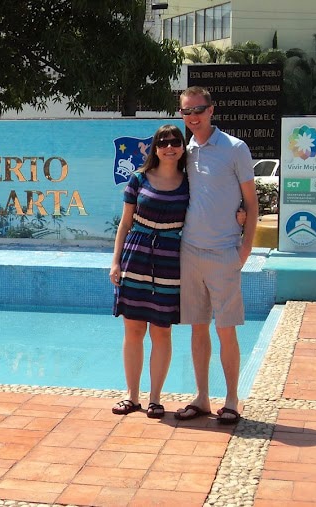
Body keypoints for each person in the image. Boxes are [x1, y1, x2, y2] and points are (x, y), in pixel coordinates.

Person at [174, 86, 258, 425]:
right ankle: (201, 397)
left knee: (226, 329)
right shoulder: (185, 151)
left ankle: (233, 400)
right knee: (197, 327)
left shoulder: (235, 148)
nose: (193, 116)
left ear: (212, 110)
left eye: (199, 109)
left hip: (225, 252)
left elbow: (251, 204)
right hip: (190, 251)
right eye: (186, 111)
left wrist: (245, 249)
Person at [110, 124, 189, 419]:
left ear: (182, 148)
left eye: (175, 142)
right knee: (133, 330)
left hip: (170, 261)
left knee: (161, 331)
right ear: (155, 148)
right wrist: (115, 261)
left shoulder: (189, 183)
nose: (170, 147)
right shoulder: (138, 179)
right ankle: (132, 396)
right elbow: (125, 223)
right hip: (136, 256)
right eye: (163, 142)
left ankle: (155, 398)